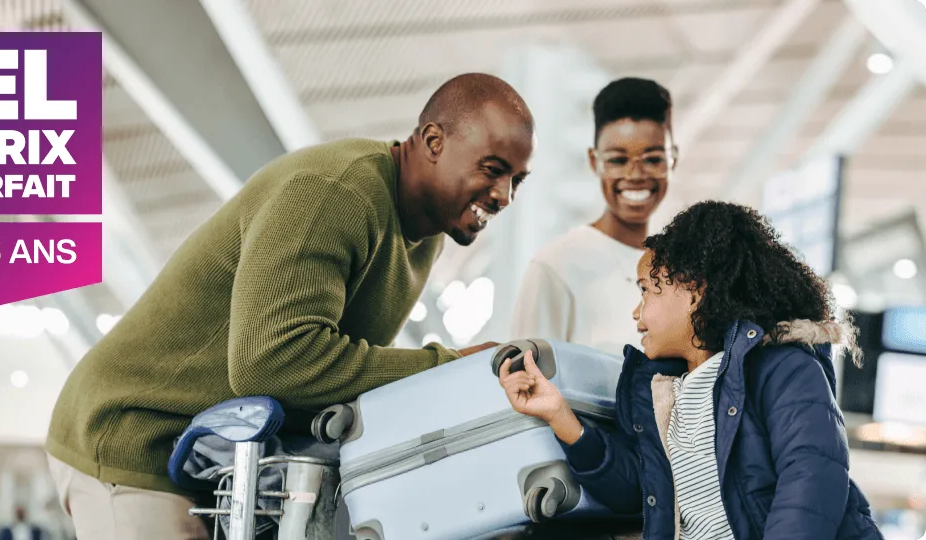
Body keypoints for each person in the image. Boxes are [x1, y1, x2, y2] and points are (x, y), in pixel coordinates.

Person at [44, 72, 536, 539]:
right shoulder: (334, 193)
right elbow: (272, 362)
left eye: (517, 180)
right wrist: (445, 369)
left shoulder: (425, 235)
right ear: (433, 142)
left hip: (215, 458)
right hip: (136, 435)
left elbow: (335, 373)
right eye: (493, 170)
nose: (505, 196)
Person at [499, 201, 883, 539]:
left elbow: (811, 483)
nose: (637, 311)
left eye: (649, 290)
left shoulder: (783, 368)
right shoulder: (664, 392)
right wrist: (558, 413)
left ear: (695, 290)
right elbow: (636, 491)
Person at [510, 78, 675, 354]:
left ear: (673, 160)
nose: (635, 176)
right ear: (593, 161)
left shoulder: (682, 268)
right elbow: (523, 384)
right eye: (617, 160)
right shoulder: (556, 267)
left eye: (653, 159)